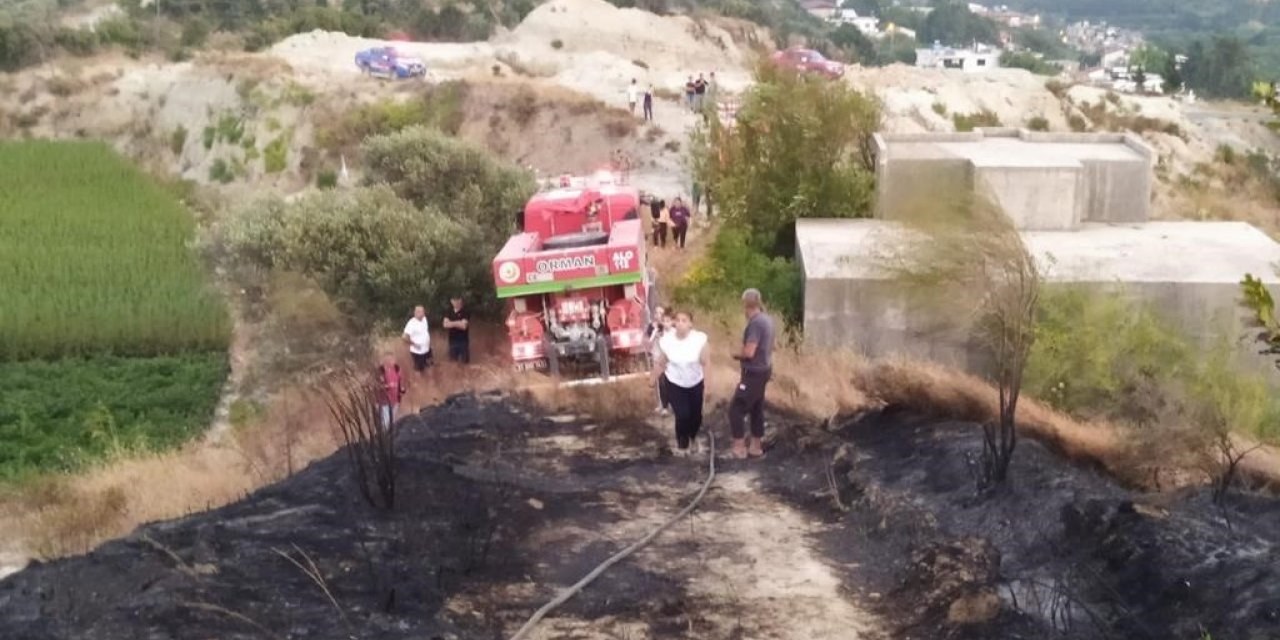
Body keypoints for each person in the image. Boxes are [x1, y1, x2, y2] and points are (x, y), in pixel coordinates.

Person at [651, 310, 709, 457]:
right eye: (678, 320)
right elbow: (661, 362)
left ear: (690, 324)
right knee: (682, 414)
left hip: (695, 382)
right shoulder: (668, 341)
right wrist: (652, 378)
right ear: (674, 323)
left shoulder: (699, 339)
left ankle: (693, 438)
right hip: (675, 382)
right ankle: (682, 444)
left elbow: (706, 362)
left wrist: (708, 383)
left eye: (685, 320)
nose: (681, 323)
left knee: (696, 416)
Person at [728, 289, 775, 459]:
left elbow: (749, 352)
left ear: (747, 305)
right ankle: (756, 447)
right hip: (764, 370)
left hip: (753, 372)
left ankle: (739, 448)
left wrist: (735, 354)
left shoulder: (755, 323)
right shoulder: (768, 320)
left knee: (736, 409)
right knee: (756, 408)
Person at [646, 306, 671, 414]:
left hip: (667, 358)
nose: (658, 315)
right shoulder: (651, 327)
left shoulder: (668, 327)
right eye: (656, 312)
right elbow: (649, 341)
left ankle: (667, 406)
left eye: (660, 313)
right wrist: (654, 331)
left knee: (667, 381)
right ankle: (662, 404)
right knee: (660, 382)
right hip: (656, 357)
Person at [376, 353, 406, 429]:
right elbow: (376, 386)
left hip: (395, 400)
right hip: (384, 401)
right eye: (389, 360)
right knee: (386, 422)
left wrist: (402, 389)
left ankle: (389, 438)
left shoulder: (397, 369)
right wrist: (387, 386)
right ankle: (384, 438)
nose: (392, 361)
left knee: (392, 422)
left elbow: (400, 382)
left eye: (393, 359)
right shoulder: (381, 371)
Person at [402, 305, 432, 374]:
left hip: (427, 349)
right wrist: (414, 344)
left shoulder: (424, 319)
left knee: (429, 366)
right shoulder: (411, 323)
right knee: (419, 370)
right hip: (418, 352)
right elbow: (404, 337)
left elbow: (425, 332)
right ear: (415, 313)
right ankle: (419, 383)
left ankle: (429, 382)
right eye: (420, 312)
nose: (423, 313)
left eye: (423, 311)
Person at [442, 296, 471, 364]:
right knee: (453, 363)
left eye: (457, 300)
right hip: (452, 342)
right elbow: (445, 325)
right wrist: (458, 323)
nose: (456, 302)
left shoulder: (465, 311)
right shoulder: (448, 311)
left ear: (460, 300)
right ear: (451, 301)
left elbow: (464, 326)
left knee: (464, 363)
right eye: (454, 300)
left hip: (463, 342)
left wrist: (451, 323)